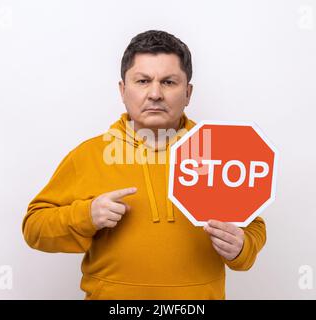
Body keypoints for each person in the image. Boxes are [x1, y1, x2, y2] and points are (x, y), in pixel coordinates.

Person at [22, 30, 266, 300]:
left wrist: (242, 246)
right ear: (123, 90)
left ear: (188, 92)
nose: (155, 94)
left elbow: (253, 224)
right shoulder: (89, 155)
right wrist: (86, 215)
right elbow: (35, 227)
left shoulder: (220, 152)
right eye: (142, 80)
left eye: (169, 82)